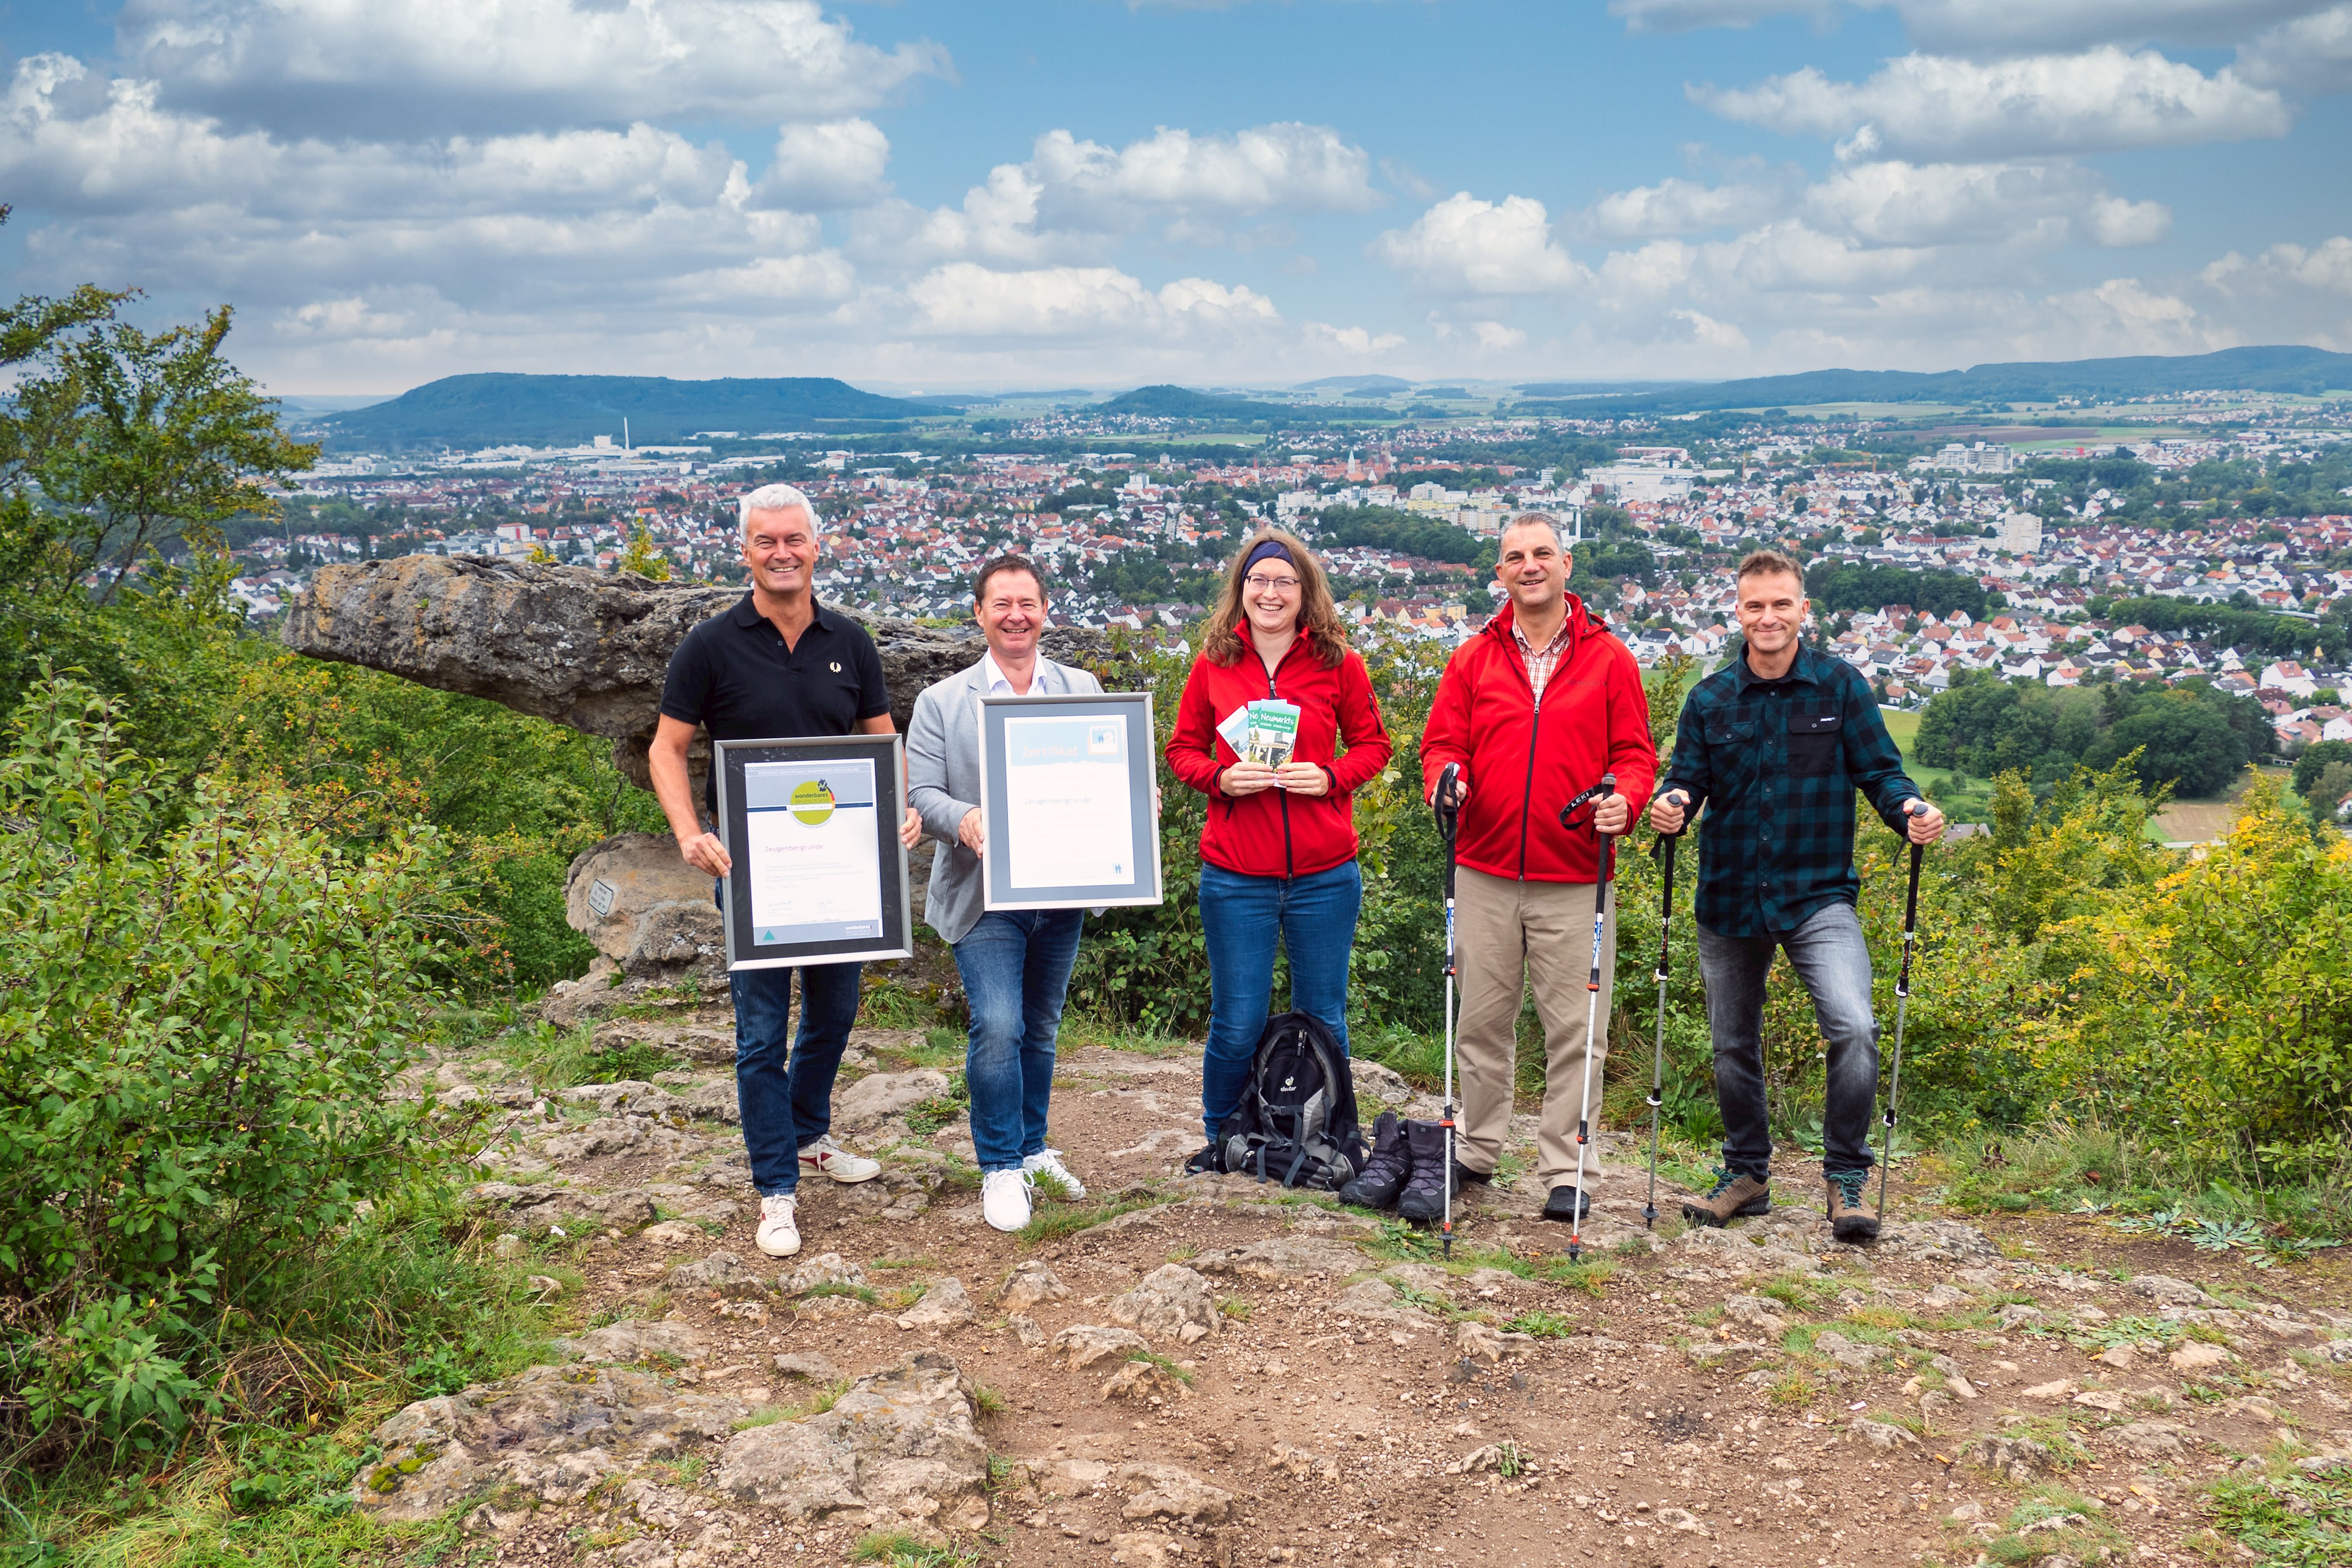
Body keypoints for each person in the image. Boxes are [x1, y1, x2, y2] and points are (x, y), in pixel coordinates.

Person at [650, 483, 922, 1260]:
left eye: (792, 539)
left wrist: (898, 809)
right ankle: (776, 1188)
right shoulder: (710, 643)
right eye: (766, 540)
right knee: (761, 1033)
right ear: (746, 551)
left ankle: (806, 1136)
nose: (780, 552)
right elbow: (666, 748)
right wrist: (688, 831)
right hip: (754, 871)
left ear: (814, 546)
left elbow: (882, 741)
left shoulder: (851, 639)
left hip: (837, 870)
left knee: (835, 1015)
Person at [1648, 548, 1945, 1244]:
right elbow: (1684, 781)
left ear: (1802, 610)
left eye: (1781, 603)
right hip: (1728, 897)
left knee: (1855, 1026)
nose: (1769, 617)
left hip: (1818, 896)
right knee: (1731, 1045)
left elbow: (1881, 772)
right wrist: (1671, 804)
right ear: (1739, 612)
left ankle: (1846, 1176)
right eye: (1755, 605)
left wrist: (1911, 812)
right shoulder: (1710, 697)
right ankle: (1746, 1173)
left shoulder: (1840, 687)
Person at [1420, 513, 1657, 1226]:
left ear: (1566, 565)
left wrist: (1628, 800)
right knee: (1482, 1022)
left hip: (1575, 873)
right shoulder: (1471, 659)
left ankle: (1569, 1167)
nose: (1529, 566)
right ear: (1500, 574)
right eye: (1514, 557)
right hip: (1484, 866)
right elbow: (1439, 745)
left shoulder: (1609, 657)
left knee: (1577, 1029)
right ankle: (1476, 1149)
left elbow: (1635, 758)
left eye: (1542, 554)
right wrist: (1446, 779)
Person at [1165, 529, 1392, 1169]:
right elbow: (1181, 749)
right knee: (1237, 1019)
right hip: (1237, 876)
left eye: (1284, 581)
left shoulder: (1337, 663)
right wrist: (1218, 778)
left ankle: (1332, 1134)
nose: (1270, 592)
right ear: (1241, 590)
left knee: (1325, 1014)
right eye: (1258, 580)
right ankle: (1222, 1137)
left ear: (1304, 593)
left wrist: (1331, 777)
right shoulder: (1213, 663)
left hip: (1325, 874)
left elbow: (1374, 745)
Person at [906, 555, 1100, 1233]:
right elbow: (920, 793)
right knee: (998, 1024)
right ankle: (999, 1166)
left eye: (1028, 602)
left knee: (1040, 1027)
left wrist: (1131, 797)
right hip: (981, 890)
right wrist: (961, 818)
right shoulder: (941, 701)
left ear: (1046, 610)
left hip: (1062, 886)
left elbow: (1105, 772)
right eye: (1001, 604)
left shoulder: (1081, 686)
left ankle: (1032, 1145)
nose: (1016, 615)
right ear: (980, 614)